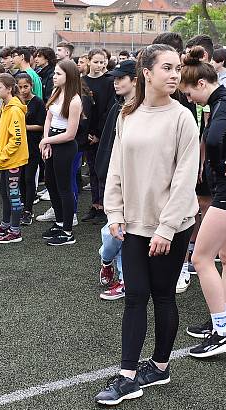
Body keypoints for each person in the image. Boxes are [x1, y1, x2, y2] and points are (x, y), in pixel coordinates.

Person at [95, 44, 199, 406]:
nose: (174, 74)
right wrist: (114, 213)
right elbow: (116, 167)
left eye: (178, 68)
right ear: (147, 73)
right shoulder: (127, 114)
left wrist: (167, 228)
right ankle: (127, 376)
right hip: (134, 223)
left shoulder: (183, 117)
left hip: (171, 224)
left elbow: (187, 177)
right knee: (135, 296)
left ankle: (159, 365)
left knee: (163, 295)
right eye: (167, 68)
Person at [176, 46, 226, 357]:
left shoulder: (223, 104)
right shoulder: (224, 103)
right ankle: (222, 321)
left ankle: (222, 331)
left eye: (189, 93)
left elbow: (215, 139)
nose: (189, 98)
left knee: (201, 258)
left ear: (202, 84)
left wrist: (219, 166)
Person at [95, 59, 137, 301]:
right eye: (115, 78)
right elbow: (108, 146)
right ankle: (107, 260)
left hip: (137, 182)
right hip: (116, 180)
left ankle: (123, 280)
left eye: (121, 78)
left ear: (136, 80)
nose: (115, 82)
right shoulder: (118, 108)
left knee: (125, 232)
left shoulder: (142, 108)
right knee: (114, 231)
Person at [40, 59, 82, 246]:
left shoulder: (75, 100)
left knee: (64, 187)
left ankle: (67, 231)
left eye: (58, 74)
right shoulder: (56, 92)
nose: (54, 76)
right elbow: (48, 118)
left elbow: (70, 134)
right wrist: (47, 141)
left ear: (69, 76)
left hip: (64, 146)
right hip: (52, 142)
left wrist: (46, 140)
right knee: (50, 182)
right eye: (54, 73)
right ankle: (59, 222)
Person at [0, 73, 29, 243]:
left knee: (13, 194)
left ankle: (15, 231)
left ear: (9, 89)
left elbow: (17, 139)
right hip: (6, 160)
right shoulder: (5, 107)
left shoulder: (15, 110)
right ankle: (6, 224)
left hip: (13, 160)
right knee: (4, 192)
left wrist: (3, 154)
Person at [82, 49, 115, 224]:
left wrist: (98, 134)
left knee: (103, 172)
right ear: (88, 61)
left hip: (103, 134)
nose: (100, 65)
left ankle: (104, 206)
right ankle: (95, 204)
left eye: (103, 62)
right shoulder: (83, 82)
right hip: (87, 134)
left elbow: (108, 110)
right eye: (96, 62)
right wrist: (86, 133)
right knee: (93, 171)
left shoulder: (109, 81)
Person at [16, 73, 45, 225]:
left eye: (25, 87)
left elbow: (41, 125)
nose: (23, 90)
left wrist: (23, 127)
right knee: (20, 178)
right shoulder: (16, 101)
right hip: (18, 144)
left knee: (29, 177)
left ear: (31, 85)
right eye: (20, 87)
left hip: (32, 144)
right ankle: (23, 205)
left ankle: (28, 210)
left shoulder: (38, 102)